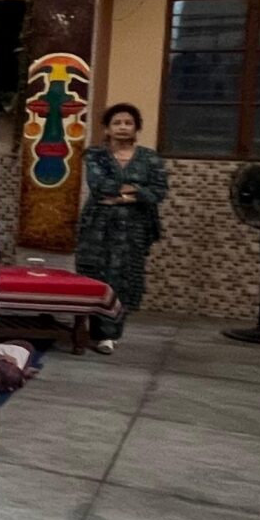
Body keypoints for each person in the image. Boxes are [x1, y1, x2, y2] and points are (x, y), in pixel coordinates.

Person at [72, 102, 167, 355]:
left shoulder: (150, 158)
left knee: (123, 279)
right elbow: (100, 185)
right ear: (107, 128)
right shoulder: (95, 155)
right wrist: (137, 188)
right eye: (117, 123)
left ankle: (109, 336)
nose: (123, 127)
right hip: (97, 227)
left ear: (136, 128)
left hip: (134, 230)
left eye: (128, 123)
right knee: (93, 275)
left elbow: (159, 191)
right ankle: (87, 330)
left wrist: (125, 196)